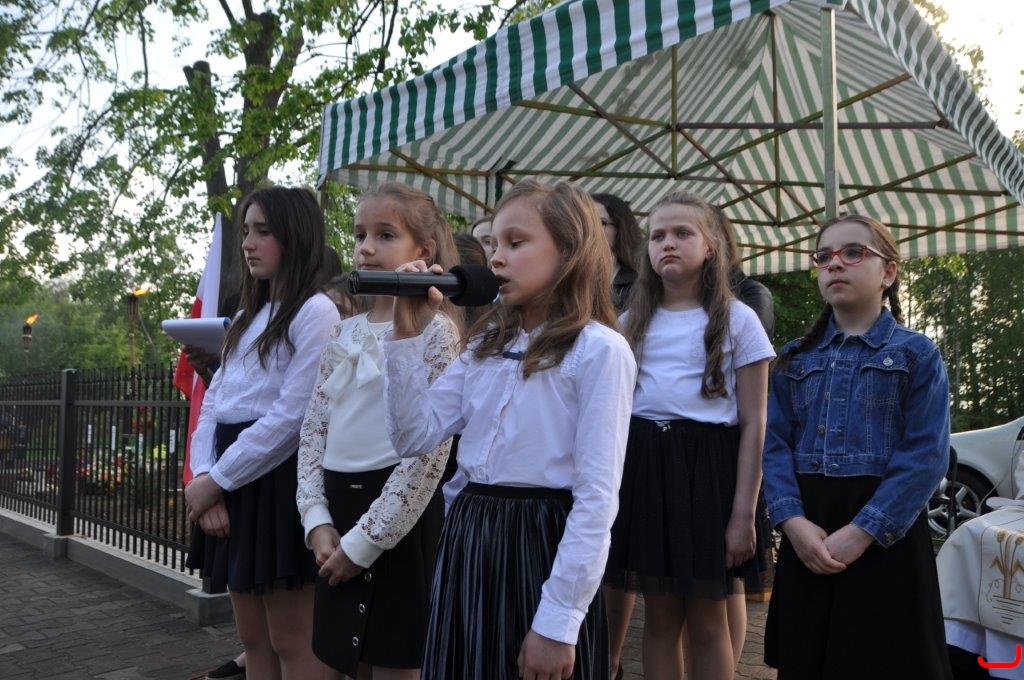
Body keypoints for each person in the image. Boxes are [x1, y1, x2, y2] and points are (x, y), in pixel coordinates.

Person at [382, 179, 636, 680]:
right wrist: (406, 335)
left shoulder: (600, 350)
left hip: (541, 541)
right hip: (471, 535)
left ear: (570, 251)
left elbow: (596, 499)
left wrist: (558, 623)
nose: (496, 258)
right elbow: (413, 436)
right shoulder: (484, 348)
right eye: (494, 244)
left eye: (516, 243)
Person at [762, 214, 953, 678]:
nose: (834, 264)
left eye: (853, 253)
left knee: (882, 661)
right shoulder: (794, 358)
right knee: (808, 661)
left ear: (889, 272)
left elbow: (926, 455)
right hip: (810, 532)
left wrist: (864, 531)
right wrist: (792, 524)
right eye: (824, 256)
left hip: (886, 538)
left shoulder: (916, 354)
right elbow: (773, 445)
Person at [604, 191, 774, 680]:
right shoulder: (629, 323)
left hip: (709, 477)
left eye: (683, 233)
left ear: (711, 246)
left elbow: (755, 423)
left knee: (707, 620)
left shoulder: (739, 319)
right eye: (658, 235)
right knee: (659, 619)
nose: (668, 243)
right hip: (647, 473)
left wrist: (742, 514)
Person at [296, 183, 462, 680]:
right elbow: (313, 430)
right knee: (331, 661)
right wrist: (316, 518)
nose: (366, 247)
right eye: (360, 234)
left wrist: (367, 541)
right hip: (335, 513)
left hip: (398, 518)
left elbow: (428, 455)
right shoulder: (343, 331)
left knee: (396, 663)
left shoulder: (437, 331)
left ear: (423, 251)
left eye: (385, 235)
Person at [184, 186, 340, 679]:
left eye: (263, 232)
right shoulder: (245, 318)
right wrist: (205, 478)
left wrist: (217, 480)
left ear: (295, 236)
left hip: (277, 481)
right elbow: (213, 405)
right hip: (231, 478)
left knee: (291, 639)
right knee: (252, 638)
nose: (249, 243)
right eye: (246, 232)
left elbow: (293, 418)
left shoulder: (316, 311)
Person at [592, 193, 641, 313]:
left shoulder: (641, 283)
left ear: (620, 229)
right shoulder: (564, 277)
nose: (590, 229)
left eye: (601, 222)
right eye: (584, 222)